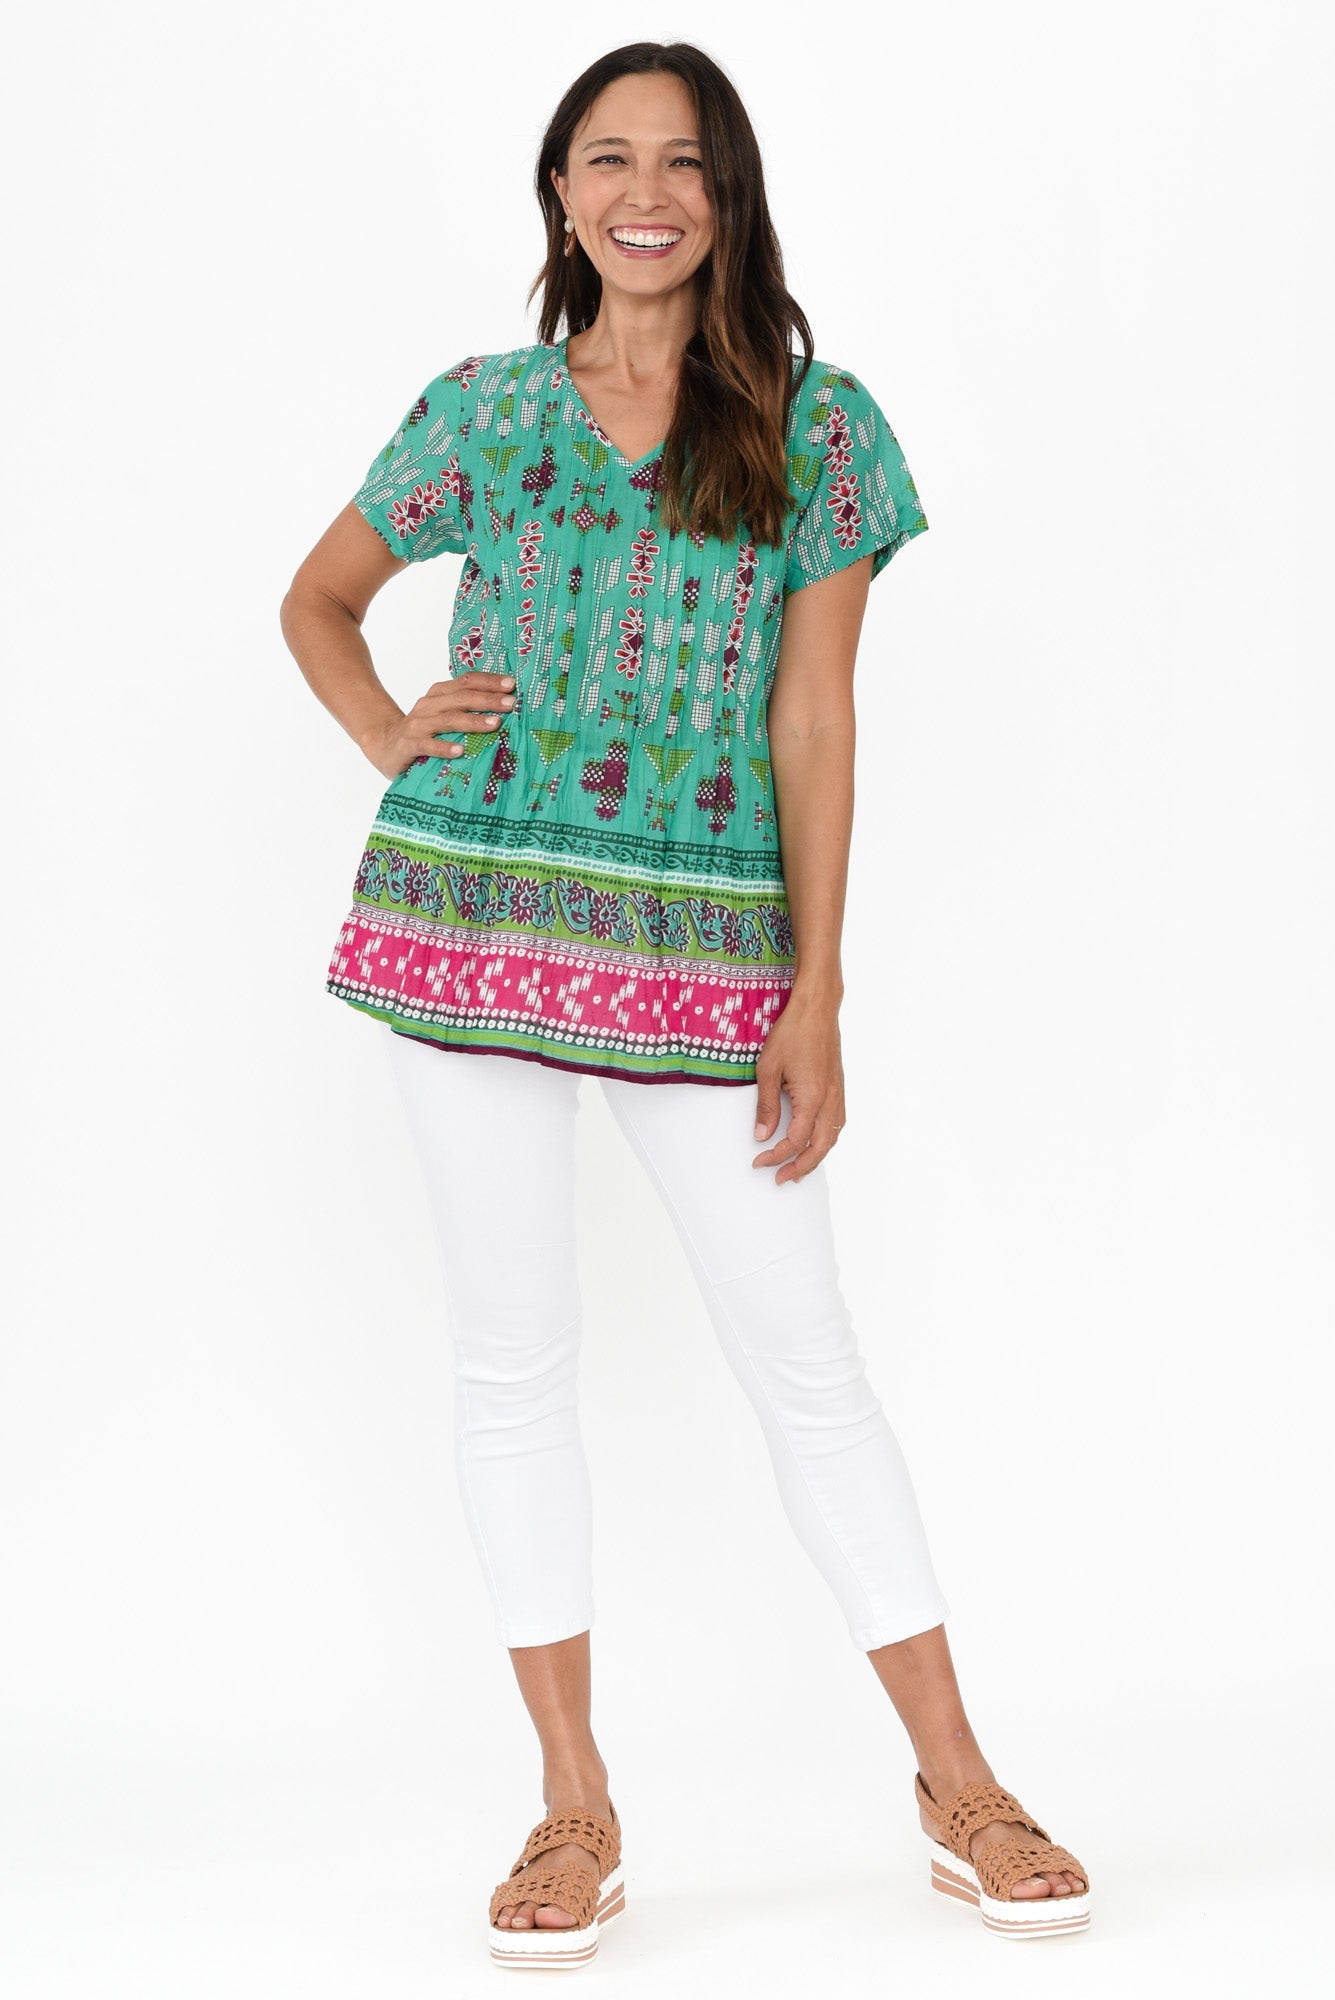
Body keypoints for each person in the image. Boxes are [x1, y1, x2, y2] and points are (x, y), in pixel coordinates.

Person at [280, 37, 1090, 1968]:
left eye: (683, 163)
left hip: (709, 947)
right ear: (561, 194)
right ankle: (574, 1805)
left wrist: (818, 988)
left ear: (729, 196)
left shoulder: (819, 427)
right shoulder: (482, 413)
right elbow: (317, 598)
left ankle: (958, 1782)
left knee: (806, 1357)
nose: (645, 194)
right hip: (470, 915)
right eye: (607, 159)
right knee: (513, 1361)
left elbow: (816, 714)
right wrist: (389, 729)